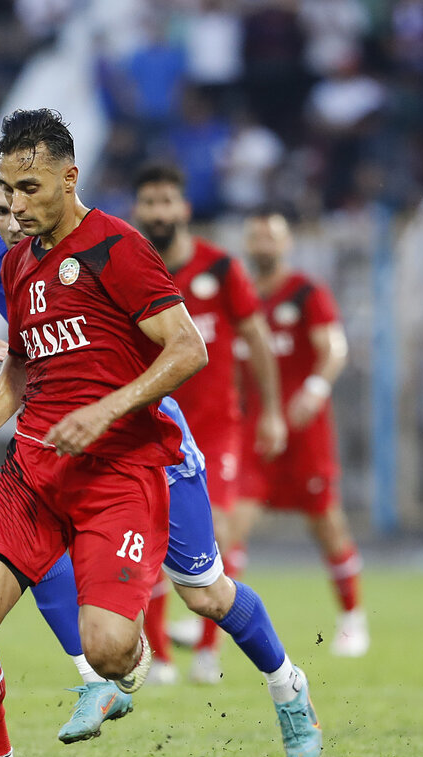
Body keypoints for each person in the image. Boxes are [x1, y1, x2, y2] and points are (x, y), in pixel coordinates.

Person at [0, 159, 322, 757]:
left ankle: (288, 686)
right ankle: (102, 674)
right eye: (0, 211)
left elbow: (153, 344)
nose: (12, 221)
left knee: (205, 593)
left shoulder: (109, 247)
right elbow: (37, 352)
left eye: (21, 201)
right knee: (37, 559)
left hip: (148, 449)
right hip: (67, 451)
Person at [0, 109, 209, 757]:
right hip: (32, 472)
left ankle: (132, 659)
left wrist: (108, 407)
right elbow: (22, 365)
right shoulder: (18, 261)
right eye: (6, 190)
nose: (14, 206)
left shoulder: (118, 248)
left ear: (68, 175)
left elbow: (187, 348)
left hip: (118, 474)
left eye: (28, 188)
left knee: (107, 649)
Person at [132, 163, 287, 685]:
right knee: (149, 536)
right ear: (138, 210)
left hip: (217, 426)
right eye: (149, 202)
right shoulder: (130, 270)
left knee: (216, 530)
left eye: (166, 201)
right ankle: (160, 655)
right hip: (153, 424)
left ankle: (207, 648)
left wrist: (270, 409)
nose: (158, 211)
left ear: (184, 208)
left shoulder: (220, 269)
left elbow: (258, 341)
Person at [230, 208, 368, 657]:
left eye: (271, 235)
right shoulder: (240, 295)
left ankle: (352, 618)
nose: (263, 244)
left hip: (304, 431)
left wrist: (315, 387)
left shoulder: (307, 292)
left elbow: (335, 348)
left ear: (286, 243)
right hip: (253, 431)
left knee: (327, 523)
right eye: (257, 236)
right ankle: (217, 629)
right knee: (231, 525)